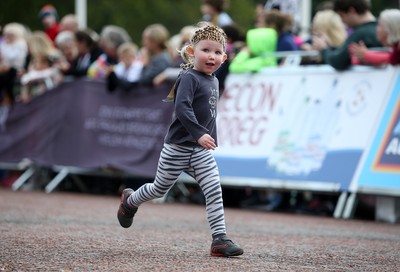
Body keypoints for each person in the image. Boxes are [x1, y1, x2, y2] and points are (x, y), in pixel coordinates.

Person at [116, 23, 244, 258]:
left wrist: (210, 136)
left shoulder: (214, 80)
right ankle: (131, 200)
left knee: (214, 189)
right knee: (159, 188)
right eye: (206, 50)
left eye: (217, 52)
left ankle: (219, 239)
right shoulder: (188, 77)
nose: (211, 56)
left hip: (200, 151)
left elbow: (210, 113)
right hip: (177, 148)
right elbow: (182, 109)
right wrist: (199, 133)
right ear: (192, 52)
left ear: (224, 57)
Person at [313, 0, 382, 70]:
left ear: (352, 11)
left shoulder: (361, 33)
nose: (342, 21)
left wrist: (323, 49)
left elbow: (338, 61)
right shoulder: (381, 27)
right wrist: (331, 47)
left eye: (341, 15)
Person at [0, 22, 28, 105]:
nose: (8, 37)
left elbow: (12, 57)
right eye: (7, 35)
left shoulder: (21, 44)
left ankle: (9, 99)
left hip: (17, 69)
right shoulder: (5, 44)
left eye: (10, 35)